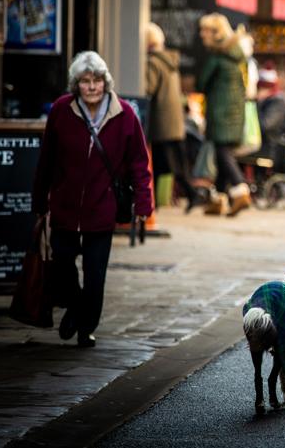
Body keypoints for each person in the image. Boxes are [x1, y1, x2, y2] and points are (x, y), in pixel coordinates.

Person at [32, 51, 152, 348]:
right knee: (62, 264)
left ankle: (86, 327)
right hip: (65, 206)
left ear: (105, 81)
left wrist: (144, 202)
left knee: (95, 274)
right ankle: (74, 306)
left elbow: (139, 161)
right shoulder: (62, 109)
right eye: (85, 81)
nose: (92, 87)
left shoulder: (124, 114)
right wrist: (39, 200)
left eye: (97, 80)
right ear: (76, 84)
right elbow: (46, 158)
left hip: (102, 207)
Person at [197, 14, 252, 216]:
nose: (201, 35)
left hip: (220, 112)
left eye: (204, 30)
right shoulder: (236, 54)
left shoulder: (218, 55)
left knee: (223, 152)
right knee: (223, 153)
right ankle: (219, 199)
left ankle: (240, 190)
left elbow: (202, 83)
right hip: (236, 111)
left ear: (215, 32)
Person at [145, 23, 198, 212]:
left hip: (161, 122)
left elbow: (148, 88)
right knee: (172, 165)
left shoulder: (153, 63)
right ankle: (158, 203)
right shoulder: (171, 61)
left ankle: (156, 204)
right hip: (175, 122)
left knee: (163, 165)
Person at [255, 65, 285, 173]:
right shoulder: (269, 102)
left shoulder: (277, 103)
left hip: (270, 145)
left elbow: (265, 124)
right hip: (266, 143)